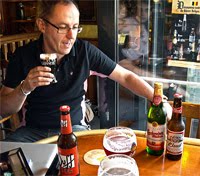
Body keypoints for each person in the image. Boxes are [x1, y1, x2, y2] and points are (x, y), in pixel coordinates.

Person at [1, 0, 159, 142]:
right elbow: (4, 108)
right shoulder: (23, 56)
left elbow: (125, 76)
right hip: (32, 133)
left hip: (74, 130)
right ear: (42, 25)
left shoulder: (85, 51)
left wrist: (156, 97)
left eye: (75, 28)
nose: (71, 36)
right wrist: (24, 88)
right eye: (63, 28)